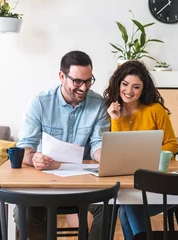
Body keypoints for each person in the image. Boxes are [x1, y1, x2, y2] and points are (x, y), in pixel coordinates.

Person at [15, 50, 111, 239]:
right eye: (77, 82)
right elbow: (25, 147)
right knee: (24, 213)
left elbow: (98, 143)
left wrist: (106, 156)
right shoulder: (39, 103)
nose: (84, 88)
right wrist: (34, 158)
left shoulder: (99, 104)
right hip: (45, 182)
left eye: (88, 81)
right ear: (61, 76)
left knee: (108, 207)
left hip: (84, 183)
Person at [103, 60, 178, 239]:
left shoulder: (155, 110)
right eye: (125, 84)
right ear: (118, 84)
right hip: (131, 182)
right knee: (126, 207)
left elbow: (172, 144)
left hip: (159, 183)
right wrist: (115, 119)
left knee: (129, 206)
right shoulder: (113, 111)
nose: (129, 91)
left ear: (143, 89)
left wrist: (150, 156)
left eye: (136, 87)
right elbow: (118, 149)